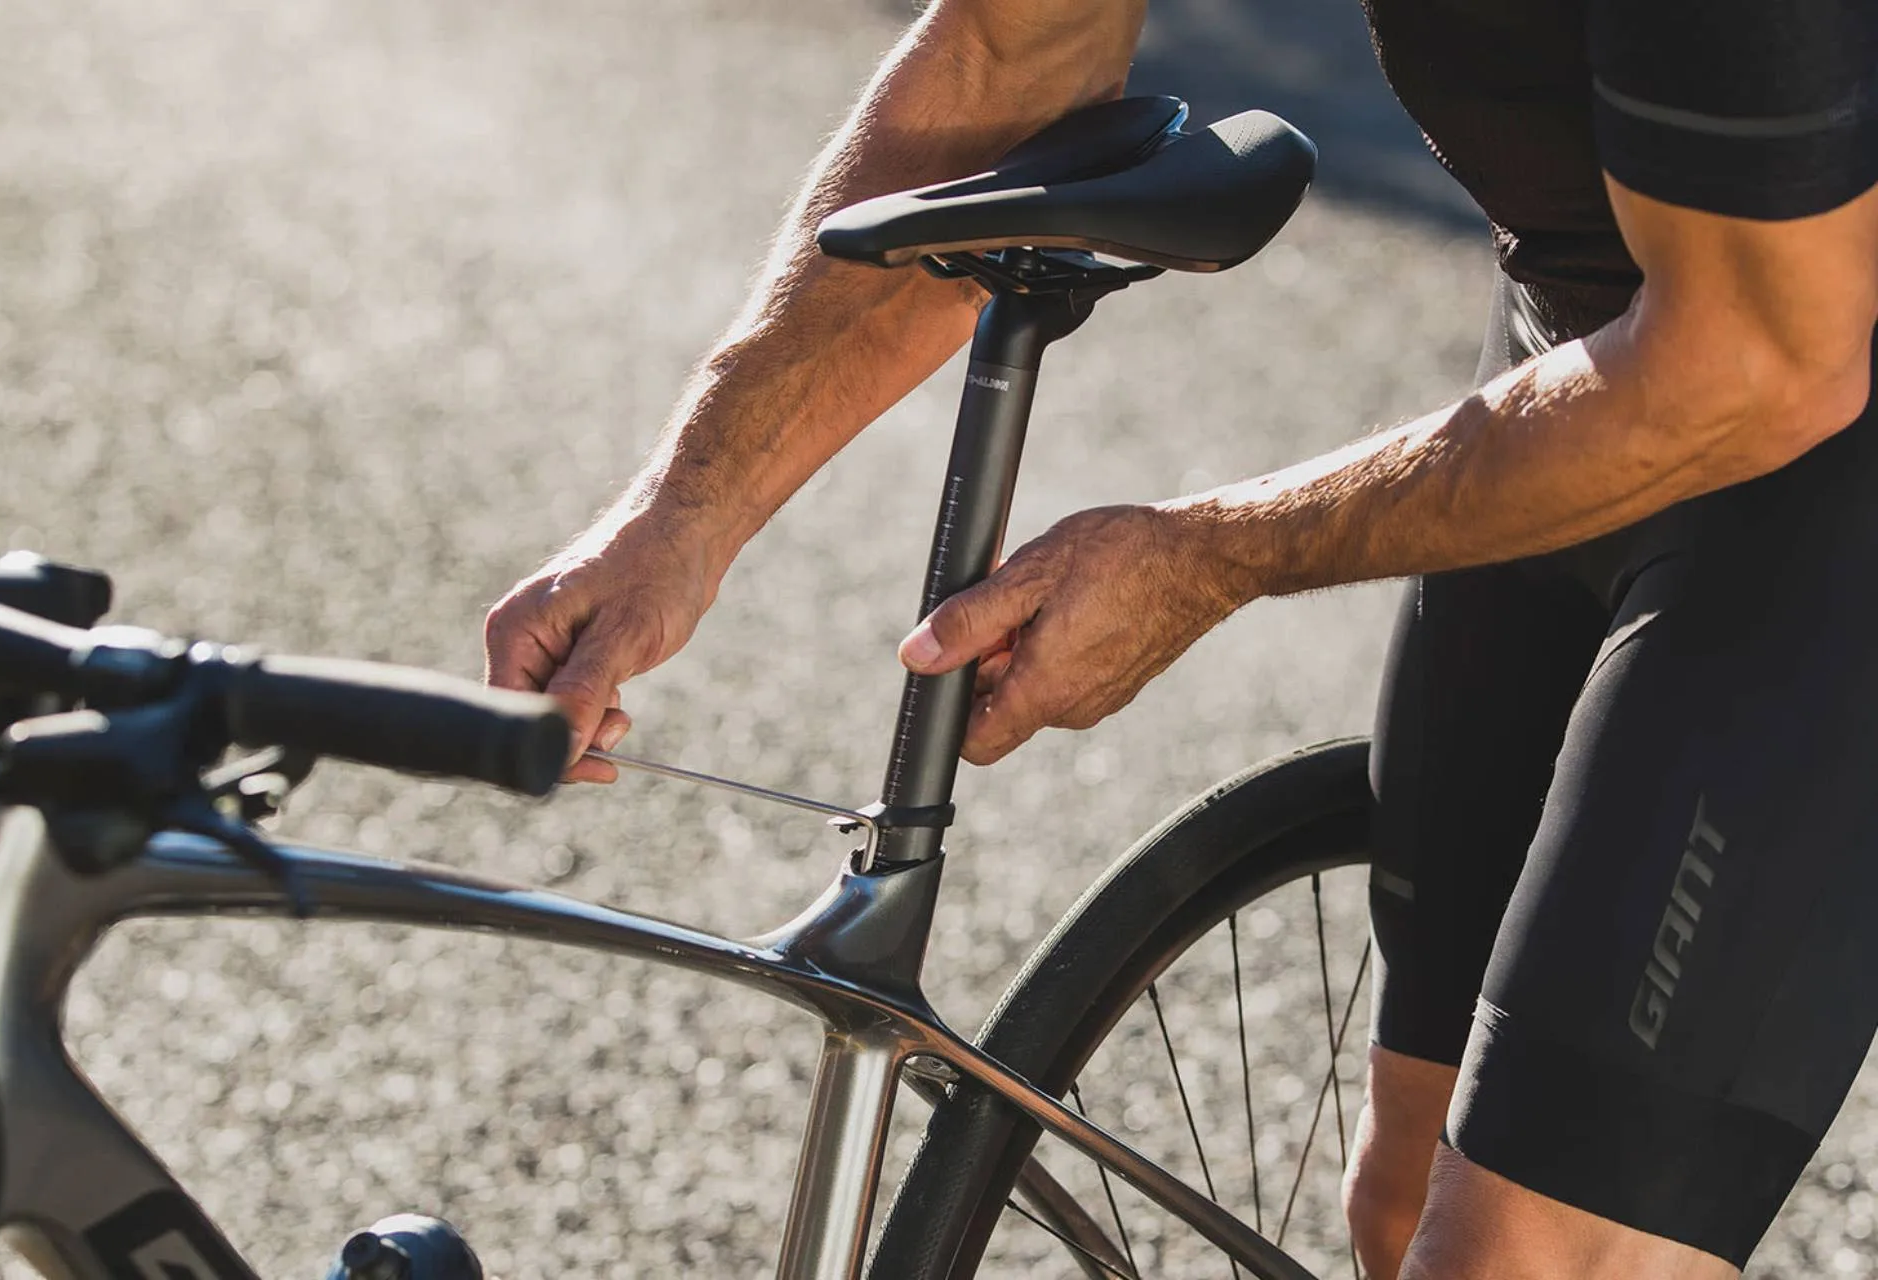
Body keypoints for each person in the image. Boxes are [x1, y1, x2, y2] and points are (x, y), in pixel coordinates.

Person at [484, 1, 1878, 1274]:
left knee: (1519, 1254)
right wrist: (684, 512)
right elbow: (1012, 55)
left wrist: (1210, 556)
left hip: (1809, 427)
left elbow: (1756, 367)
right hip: (1589, 343)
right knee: (1402, 1201)